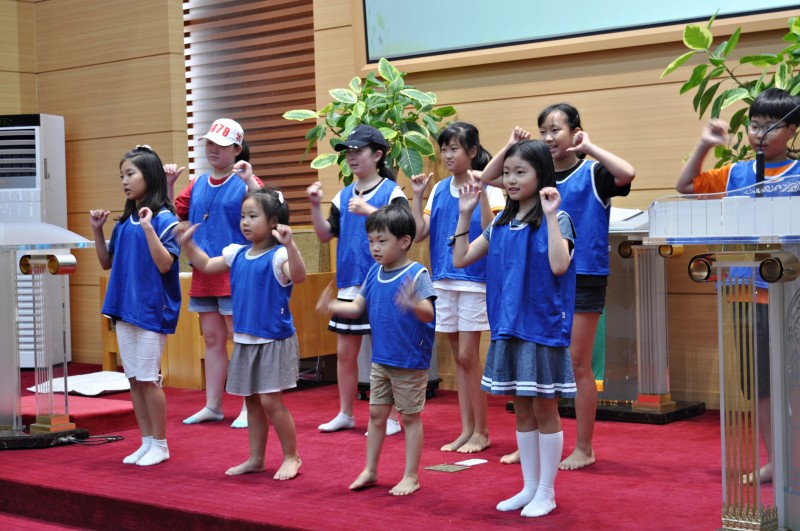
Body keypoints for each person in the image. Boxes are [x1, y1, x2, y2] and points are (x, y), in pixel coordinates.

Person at [484, 106, 636, 469]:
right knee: (529, 364)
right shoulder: (532, 177)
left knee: (576, 362)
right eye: (543, 131)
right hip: (536, 284)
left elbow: (627, 173)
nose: (549, 137)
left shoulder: (593, 173)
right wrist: (510, 146)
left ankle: (584, 447)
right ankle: (531, 440)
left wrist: (591, 147)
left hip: (582, 277)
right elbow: (489, 177)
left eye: (556, 130)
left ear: (575, 132)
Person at [676, 87, 800, 484]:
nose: (759, 133)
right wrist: (705, 145)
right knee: (759, 384)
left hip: (793, 293)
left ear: (793, 130)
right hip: (748, 292)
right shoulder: (736, 173)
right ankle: (775, 461)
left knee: (794, 381)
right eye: (754, 125)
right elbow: (685, 186)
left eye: (771, 126)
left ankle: (794, 461)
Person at [456, 139, 577, 517]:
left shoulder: (558, 217)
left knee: (545, 411)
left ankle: (547, 491)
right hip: (507, 328)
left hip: (541, 327)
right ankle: (528, 487)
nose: (510, 180)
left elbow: (560, 265)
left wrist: (553, 214)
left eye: (520, 172)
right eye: (507, 172)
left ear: (541, 174)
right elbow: (461, 258)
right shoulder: (501, 222)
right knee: (521, 411)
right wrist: (465, 214)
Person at [180, 184, 306, 480]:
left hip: (273, 339)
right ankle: (256, 459)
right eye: (243, 216)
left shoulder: (278, 257)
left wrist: (291, 245)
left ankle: (292, 456)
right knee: (251, 403)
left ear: (273, 222)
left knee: (271, 401)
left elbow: (299, 276)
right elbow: (206, 265)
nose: (245, 222)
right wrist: (188, 243)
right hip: (245, 340)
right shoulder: (236, 253)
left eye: (253, 216)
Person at [316, 203, 436, 496]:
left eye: (382, 241)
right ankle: (370, 469)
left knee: (409, 417)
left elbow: (429, 313)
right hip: (381, 359)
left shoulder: (417, 274)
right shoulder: (373, 273)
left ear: (405, 241)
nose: (375, 247)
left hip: (409, 360)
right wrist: (332, 306)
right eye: (371, 241)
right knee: (375, 415)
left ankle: (411, 475)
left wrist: (412, 304)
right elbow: (358, 306)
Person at [409, 122, 505, 454]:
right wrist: (417, 195)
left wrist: (478, 196)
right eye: (444, 149)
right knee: (458, 358)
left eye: (455, 149)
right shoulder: (438, 190)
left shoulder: (490, 188)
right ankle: (467, 430)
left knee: (468, 356)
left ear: (473, 153)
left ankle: (483, 431)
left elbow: (490, 232)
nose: (448, 155)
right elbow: (418, 234)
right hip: (443, 280)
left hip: (476, 281)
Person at [307, 125, 408, 435]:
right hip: (350, 280)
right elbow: (325, 235)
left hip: (384, 280)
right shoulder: (342, 194)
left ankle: (390, 418)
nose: (351, 156)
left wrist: (371, 210)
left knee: (384, 351)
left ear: (377, 155)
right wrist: (314, 206)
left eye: (357, 151)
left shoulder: (392, 191)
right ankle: (346, 413)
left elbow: (406, 228)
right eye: (347, 152)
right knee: (345, 352)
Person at [164, 119, 263, 429]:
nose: (213, 150)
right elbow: (173, 212)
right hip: (203, 271)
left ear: (237, 149)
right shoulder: (198, 182)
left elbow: (266, 206)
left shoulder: (245, 179)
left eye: (220, 146)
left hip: (236, 271)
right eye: (209, 144)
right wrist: (168, 183)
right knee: (212, 339)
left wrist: (249, 181)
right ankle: (213, 405)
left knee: (242, 338)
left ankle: (251, 406)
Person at [90, 145, 181, 467]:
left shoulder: (164, 219)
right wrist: (98, 232)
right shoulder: (125, 221)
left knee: (148, 378)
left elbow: (165, 264)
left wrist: (147, 227)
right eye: (122, 176)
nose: (125, 182)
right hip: (125, 309)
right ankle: (145, 441)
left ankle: (161, 443)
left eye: (131, 174)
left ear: (150, 176)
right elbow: (106, 263)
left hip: (151, 310)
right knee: (133, 379)